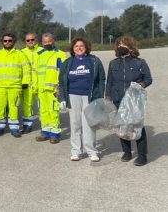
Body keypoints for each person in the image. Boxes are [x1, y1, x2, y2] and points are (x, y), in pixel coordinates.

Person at [106, 36, 152, 166]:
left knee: (137, 126)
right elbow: (109, 81)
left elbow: (148, 79)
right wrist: (108, 96)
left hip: (134, 100)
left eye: (124, 44)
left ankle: (142, 155)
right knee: (121, 126)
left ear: (131, 47)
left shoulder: (140, 62)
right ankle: (127, 152)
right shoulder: (113, 63)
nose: (121, 46)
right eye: (119, 44)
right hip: (117, 98)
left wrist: (140, 85)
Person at [58, 37, 105, 162]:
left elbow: (101, 80)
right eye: (76, 46)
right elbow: (61, 82)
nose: (79, 48)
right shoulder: (68, 63)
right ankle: (76, 151)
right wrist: (62, 98)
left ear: (86, 48)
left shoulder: (94, 61)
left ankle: (92, 151)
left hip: (89, 97)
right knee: (75, 124)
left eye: (81, 46)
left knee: (89, 124)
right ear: (72, 49)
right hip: (72, 96)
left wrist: (99, 98)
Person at [0, 33, 30, 138]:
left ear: (13, 41)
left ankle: (14, 129)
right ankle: (0, 128)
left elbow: (26, 70)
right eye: (5, 41)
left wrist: (25, 82)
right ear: (2, 42)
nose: (7, 42)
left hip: (15, 87)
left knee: (13, 107)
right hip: (0, 87)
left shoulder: (20, 54)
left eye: (10, 40)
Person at [34, 33, 68, 144]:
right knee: (43, 111)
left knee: (53, 112)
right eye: (45, 42)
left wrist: (60, 88)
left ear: (54, 41)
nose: (47, 43)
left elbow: (63, 73)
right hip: (41, 89)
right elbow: (35, 72)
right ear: (42, 42)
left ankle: (55, 134)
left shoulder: (60, 54)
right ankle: (45, 132)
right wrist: (34, 87)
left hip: (53, 89)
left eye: (49, 41)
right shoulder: (38, 54)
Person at [19, 33, 42, 133]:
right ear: (25, 42)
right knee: (27, 105)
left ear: (36, 40)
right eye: (28, 40)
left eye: (32, 39)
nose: (30, 42)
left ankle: (46, 126)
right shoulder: (21, 52)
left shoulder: (42, 51)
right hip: (27, 83)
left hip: (40, 82)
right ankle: (27, 126)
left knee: (42, 105)